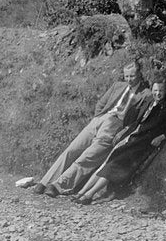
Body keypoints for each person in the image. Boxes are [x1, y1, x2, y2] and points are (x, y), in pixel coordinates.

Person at [31, 63, 149, 197]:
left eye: (132, 76)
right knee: (72, 150)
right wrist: (98, 117)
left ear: (139, 74)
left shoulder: (145, 94)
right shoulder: (118, 86)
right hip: (100, 119)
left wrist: (122, 131)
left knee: (88, 157)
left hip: (115, 125)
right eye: (126, 76)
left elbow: (137, 121)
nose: (129, 79)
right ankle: (45, 181)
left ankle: (59, 186)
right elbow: (101, 103)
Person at [72, 77, 166, 204]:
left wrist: (161, 137)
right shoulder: (149, 101)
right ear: (152, 90)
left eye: (161, 91)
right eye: (155, 90)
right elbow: (137, 121)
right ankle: (82, 192)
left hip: (145, 142)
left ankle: (89, 194)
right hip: (133, 136)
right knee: (107, 161)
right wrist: (124, 132)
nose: (158, 93)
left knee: (115, 163)